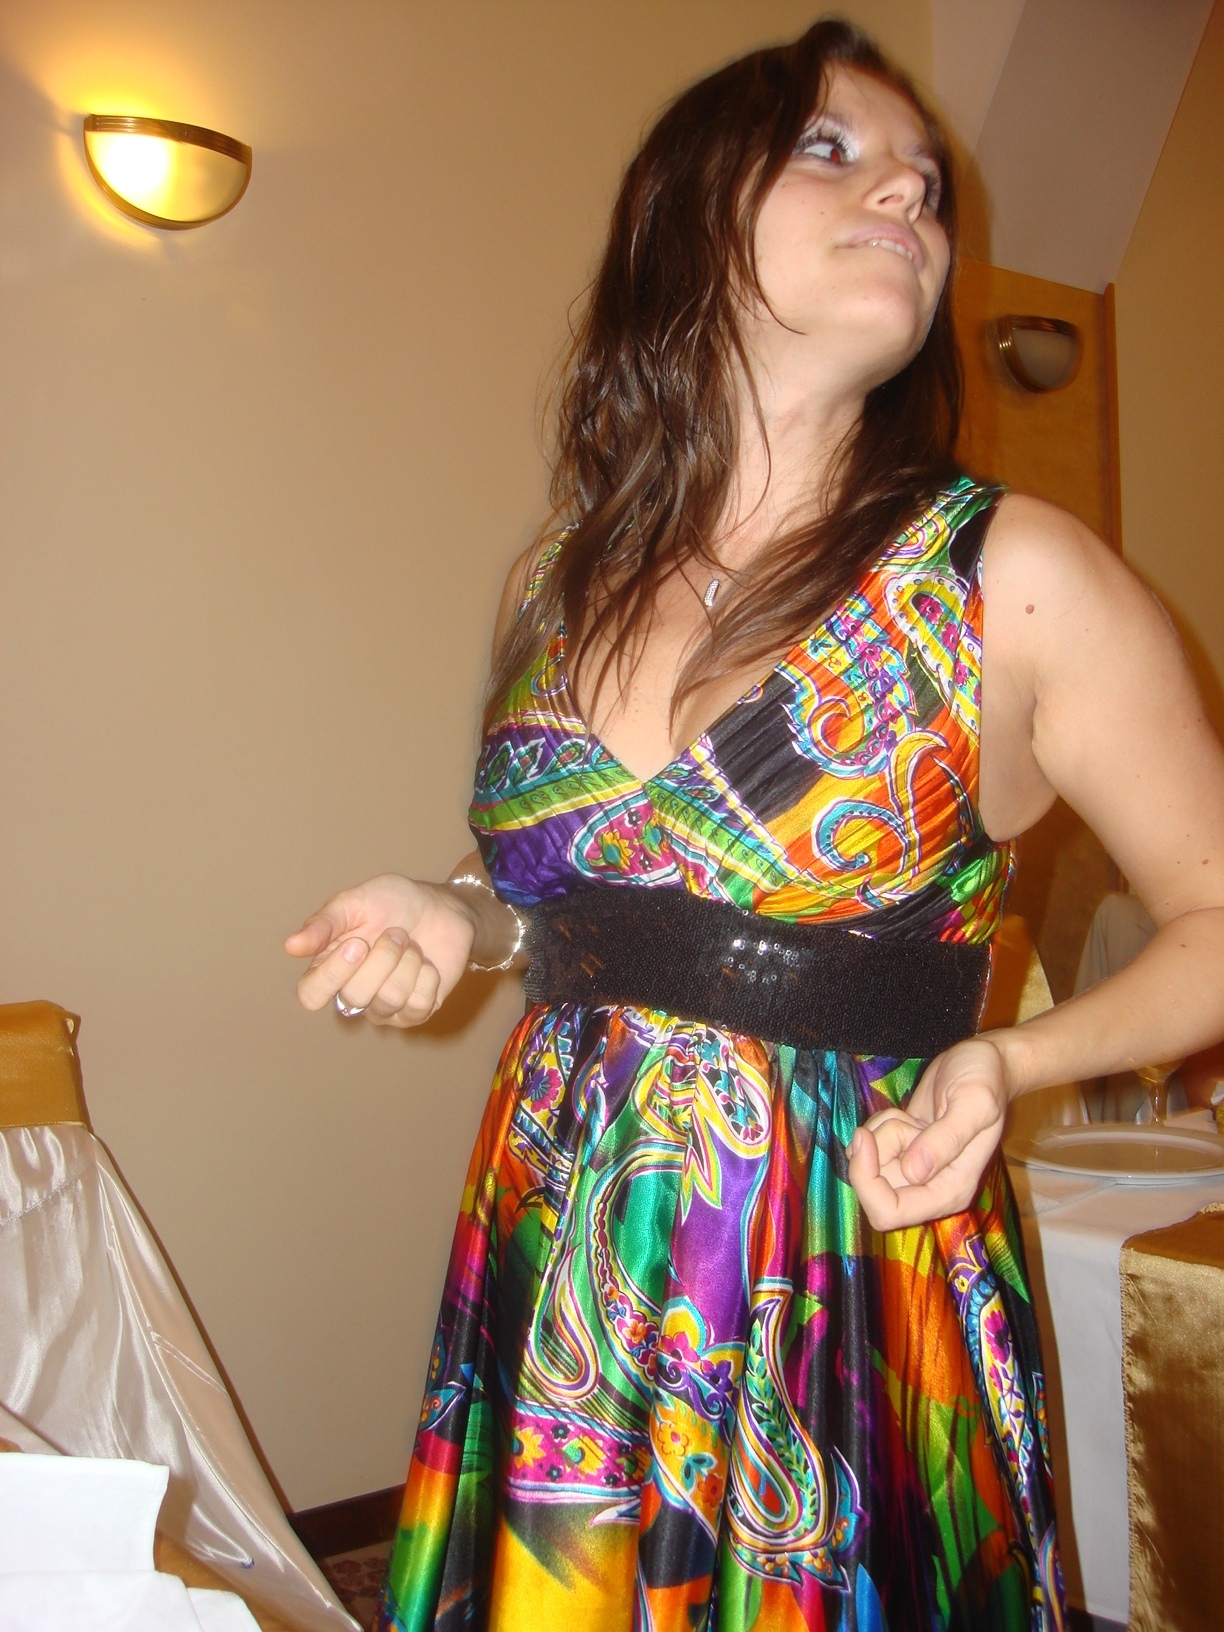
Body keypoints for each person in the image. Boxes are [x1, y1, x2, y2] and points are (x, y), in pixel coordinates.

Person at [285, 20, 1224, 1632]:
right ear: (683, 222)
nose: (907, 197)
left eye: (926, 183)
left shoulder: (1012, 577)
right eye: (831, 152)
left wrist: (1007, 1063)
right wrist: (463, 914)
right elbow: (589, 899)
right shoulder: (554, 574)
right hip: (566, 1244)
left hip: (842, 1263)